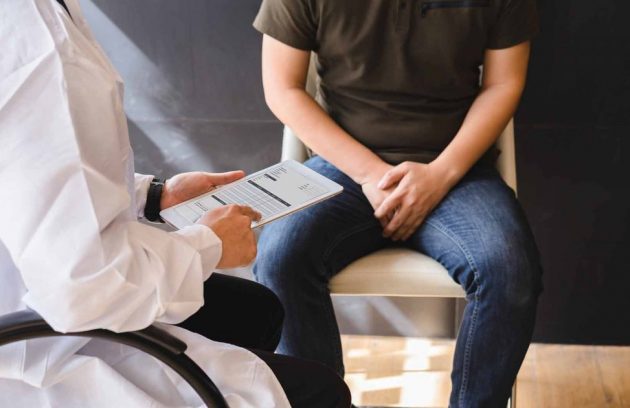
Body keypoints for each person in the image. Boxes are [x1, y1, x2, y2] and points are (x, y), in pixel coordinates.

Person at [0, 1, 351, 407]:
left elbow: (35, 177)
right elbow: (84, 288)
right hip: (41, 349)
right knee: (320, 393)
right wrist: (209, 245)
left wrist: (156, 196)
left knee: (256, 310)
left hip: (44, 296)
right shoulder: (43, 51)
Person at [253, 0, 543, 407]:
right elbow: (282, 89)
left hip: (454, 168)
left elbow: (503, 84)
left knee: (509, 270)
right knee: (280, 258)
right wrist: (370, 174)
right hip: (343, 166)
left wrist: (440, 175)